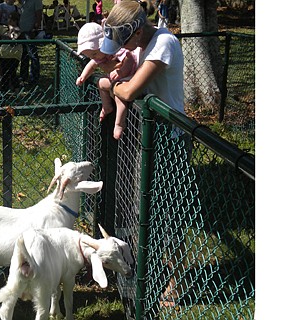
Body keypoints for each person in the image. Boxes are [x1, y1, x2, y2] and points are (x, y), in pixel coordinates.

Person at [101, 0, 186, 308]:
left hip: (171, 138)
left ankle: (177, 281)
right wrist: (119, 76)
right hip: (152, 135)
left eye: (125, 40)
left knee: (170, 212)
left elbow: (128, 90)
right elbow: (122, 75)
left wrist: (117, 84)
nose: (125, 46)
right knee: (146, 206)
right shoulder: (141, 46)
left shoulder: (164, 42)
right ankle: (147, 271)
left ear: (137, 30)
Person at [75, 22, 138, 140]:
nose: (94, 57)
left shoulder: (115, 49)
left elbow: (130, 58)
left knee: (120, 96)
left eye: (94, 53)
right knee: (100, 83)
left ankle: (119, 123)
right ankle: (107, 106)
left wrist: (121, 72)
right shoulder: (99, 56)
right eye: (91, 56)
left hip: (128, 78)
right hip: (116, 80)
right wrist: (83, 77)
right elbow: (92, 65)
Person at [0, 11, 23, 91]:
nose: (9, 21)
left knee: (12, 72)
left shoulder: (17, 29)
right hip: (4, 54)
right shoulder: (5, 28)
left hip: (14, 55)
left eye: (11, 19)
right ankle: (4, 89)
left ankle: (16, 88)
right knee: (4, 73)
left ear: (15, 21)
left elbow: (14, 37)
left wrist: (6, 33)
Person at [19, 0, 43, 86]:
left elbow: (39, 15)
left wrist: (34, 29)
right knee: (24, 55)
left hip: (29, 31)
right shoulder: (23, 2)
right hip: (21, 32)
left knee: (33, 55)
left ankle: (34, 78)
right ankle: (23, 76)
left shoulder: (36, 1)